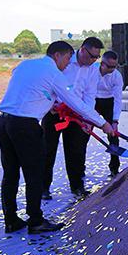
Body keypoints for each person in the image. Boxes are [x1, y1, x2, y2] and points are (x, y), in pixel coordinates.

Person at [0, 41, 114, 234]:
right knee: (35, 173)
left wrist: (46, 99)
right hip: (25, 126)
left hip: (3, 122)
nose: (68, 63)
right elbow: (76, 103)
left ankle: (10, 219)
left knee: (10, 173)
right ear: (57, 55)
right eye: (67, 58)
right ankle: (36, 221)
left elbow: (28, 85)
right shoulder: (54, 74)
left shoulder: (26, 64)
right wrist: (102, 123)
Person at [42, 37, 103, 199]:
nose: (93, 60)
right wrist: (50, 104)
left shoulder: (92, 69)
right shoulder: (64, 60)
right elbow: (47, 84)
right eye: (91, 56)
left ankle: (77, 186)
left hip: (76, 114)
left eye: (97, 57)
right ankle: (43, 188)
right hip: (54, 112)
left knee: (77, 150)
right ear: (82, 49)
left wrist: (88, 119)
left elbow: (90, 95)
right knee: (47, 149)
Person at [95, 51, 124, 177]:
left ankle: (114, 168)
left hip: (109, 102)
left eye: (115, 66)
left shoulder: (117, 76)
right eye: (110, 66)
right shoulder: (91, 71)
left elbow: (118, 99)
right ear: (102, 64)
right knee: (83, 135)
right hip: (93, 101)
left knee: (113, 136)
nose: (112, 69)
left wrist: (115, 120)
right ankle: (80, 170)